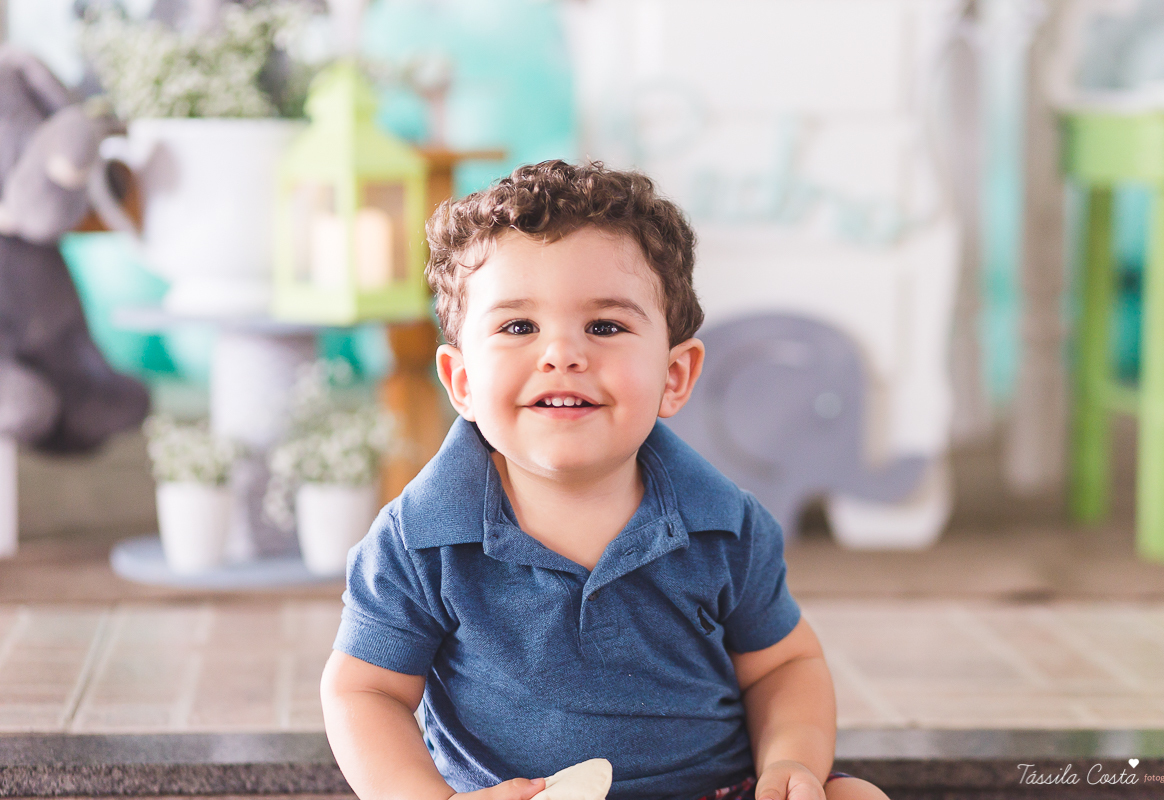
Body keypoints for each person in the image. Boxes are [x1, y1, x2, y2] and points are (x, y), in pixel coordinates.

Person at [321, 160, 889, 800]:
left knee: (854, 797)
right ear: (462, 382)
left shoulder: (725, 524)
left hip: (710, 788)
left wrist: (793, 764)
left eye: (605, 326)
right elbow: (363, 689)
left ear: (674, 377)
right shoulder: (420, 538)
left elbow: (785, 665)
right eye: (518, 327)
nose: (562, 353)